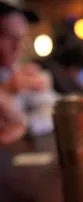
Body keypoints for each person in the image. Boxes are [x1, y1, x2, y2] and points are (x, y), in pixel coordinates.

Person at [0, 1, 55, 144]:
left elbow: (54, 111)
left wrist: (26, 124)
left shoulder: (17, 72)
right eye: (8, 37)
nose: (17, 46)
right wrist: (5, 90)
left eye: (21, 38)